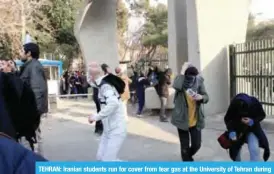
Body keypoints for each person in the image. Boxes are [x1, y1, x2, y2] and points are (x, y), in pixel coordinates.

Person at [88, 62, 127, 161]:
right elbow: (91, 82)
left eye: (88, 74)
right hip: (108, 130)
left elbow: (113, 104)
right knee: (100, 157)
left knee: (108, 161)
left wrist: (96, 117)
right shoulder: (99, 83)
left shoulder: (105, 86)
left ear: (91, 76)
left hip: (116, 129)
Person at [171, 62, 209, 161]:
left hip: (196, 120)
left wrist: (201, 97)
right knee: (184, 147)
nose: (192, 79)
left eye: (194, 76)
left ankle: (188, 156)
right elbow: (175, 85)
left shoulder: (199, 82)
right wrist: (182, 72)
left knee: (197, 144)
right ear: (185, 75)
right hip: (182, 119)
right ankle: (187, 161)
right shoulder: (180, 83)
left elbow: (206, 97)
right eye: (189, 76)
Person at [19, 42, 48, 155]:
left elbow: (37, 91)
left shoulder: (34, 67)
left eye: (22, 51)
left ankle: (36, 164)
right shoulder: (29, 66)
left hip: (31, 112)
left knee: (32, 139)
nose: (20, 53)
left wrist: (33, 113)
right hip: (30, 110)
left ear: (29, 53)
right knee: (32, 138)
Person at [224, 93, 270, 161]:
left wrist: (252, 121)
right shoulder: (234, 104)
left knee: (254, 149)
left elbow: (262, 115)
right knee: (235, 151)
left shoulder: (254, 102)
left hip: (252, 129)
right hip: (238, 129)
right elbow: (227, 119)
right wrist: (231, 131)